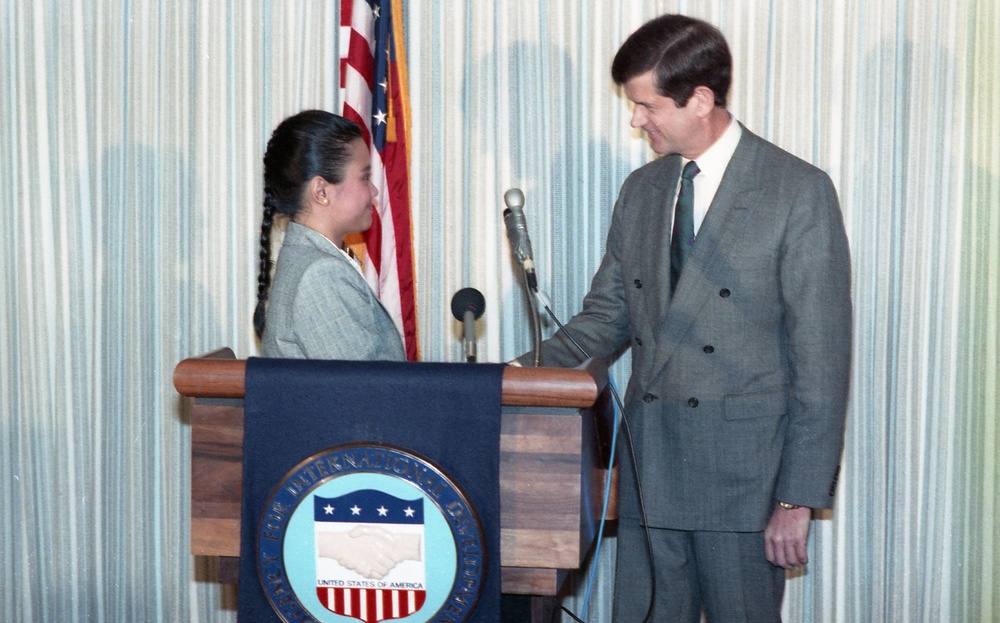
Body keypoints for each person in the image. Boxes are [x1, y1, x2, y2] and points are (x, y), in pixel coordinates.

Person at [520, 14, 851, 622]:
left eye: (647, 106)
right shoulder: (642, 190)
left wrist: (796, 499)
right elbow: (606, 317)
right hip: (652, 470)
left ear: (700, 99)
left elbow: (822, 362)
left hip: (745, 483)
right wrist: (511, 374)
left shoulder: (797, 191)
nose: (636, 120)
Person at [253, 110, 405, 361]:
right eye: (365, 177)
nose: (374, 190)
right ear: (321, 191)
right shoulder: (320, 274)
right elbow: (369, 392)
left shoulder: (309, 259)